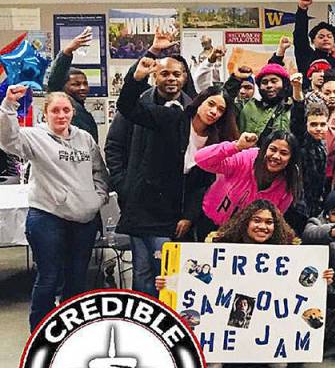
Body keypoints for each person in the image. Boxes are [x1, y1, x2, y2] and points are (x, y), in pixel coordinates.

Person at [156, 199, 333, 368]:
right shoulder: (222, 244)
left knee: (280, 363)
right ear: (245, 222)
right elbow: (199, 281)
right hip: (230, 307)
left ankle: (271, 349)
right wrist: (170, 283)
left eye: (269, 222)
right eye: (257, 220)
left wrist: (322, 278)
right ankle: (216, 356)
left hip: (265, 309)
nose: (263, 226)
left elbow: (301, 285)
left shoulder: (288, 249)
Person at [116, 56, 240, 297]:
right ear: (200, 102)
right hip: (143, 206)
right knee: (141, 271)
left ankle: (166, 322)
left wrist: (189, 216)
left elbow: (204, 185)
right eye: (211, 105)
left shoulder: (217, 142)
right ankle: (143, 324)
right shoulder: (172, 117)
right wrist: (137, 77)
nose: (214, 112)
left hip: (173, 215)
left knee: (166, 273)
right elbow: (129, 108)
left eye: (220, 110)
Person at [1, 85, 109, 330]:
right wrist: (9, 106)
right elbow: (8, 139)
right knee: (49, 278)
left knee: (77, 278)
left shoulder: (84, 138)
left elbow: (99, 171)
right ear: (45, 113)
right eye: (56, 111)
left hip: (83, 219)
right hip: (48, 217)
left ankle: (71, 329)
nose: (61, 115)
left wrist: (97, 198)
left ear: (72, 112)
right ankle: (40, 332)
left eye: (66, 110)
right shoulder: (33, 137)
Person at [105, 29, 191, 206]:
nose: (171, 79)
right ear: (154, 76)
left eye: (176, 74)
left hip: (177, 198)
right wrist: (125, 185)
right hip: (139, 198)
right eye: (165, 74)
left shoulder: (192, 109)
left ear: (185, 77)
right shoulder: (138, 106)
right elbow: (114, 146)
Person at [194, 130, 301, 233]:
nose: (276, 156)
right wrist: (236, 147)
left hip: (246, 236)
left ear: (291, 159)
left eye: (284, 153)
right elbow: (200, 159)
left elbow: (275, 220)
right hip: (210, 222)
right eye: (272, 149)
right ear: (264, 149)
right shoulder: (246, 158)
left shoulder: (289, 184)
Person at [284, 74, 330, 232]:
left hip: (315, 205)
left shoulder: (322, 143)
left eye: (322, 124)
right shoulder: (302, 139)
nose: (318, 128)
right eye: (314, 124)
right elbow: (297, 115)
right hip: (296, 206)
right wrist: (297, 88)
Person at [45, 27, 98, 141]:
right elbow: (55, 79)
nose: (82, 88)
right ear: (63, 86)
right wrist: (67, 51)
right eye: (76, 84)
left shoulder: (82, 111)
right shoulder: (64, 103)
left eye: (85, 83)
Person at [291, 0, 335, 88]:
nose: (325, 39)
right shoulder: (306, 55)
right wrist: (302, 10)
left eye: (329, 36)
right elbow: (299, 35)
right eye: (321, 37)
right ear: (313, 41)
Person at [230, 63, 292, 137]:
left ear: (284, 84)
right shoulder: (248, 107)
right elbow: (226, 100)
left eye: (274, 81)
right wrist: (236, 78)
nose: (269, 85)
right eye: (264, 82)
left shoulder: (293, 108)